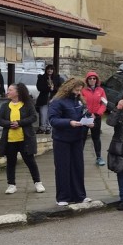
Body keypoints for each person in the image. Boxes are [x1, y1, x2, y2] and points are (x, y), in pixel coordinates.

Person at [48, 77, 90, 206]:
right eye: (76, 90)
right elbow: (53, 120)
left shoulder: (79, 101)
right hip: (62, 139)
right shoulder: (57, 101)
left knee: (78, 167)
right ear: (69, 88)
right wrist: (69, 122)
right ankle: (63, 197)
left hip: (77, 138)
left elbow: (84, 114)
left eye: (80, 90)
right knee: (63, 168)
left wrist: (88, 120)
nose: (78, 93)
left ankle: (79, 196)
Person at [0, 83, 44, 196]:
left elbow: (33, 117)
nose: (8, 92)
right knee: (11, 162)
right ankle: (11, 185)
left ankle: (38, 182)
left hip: (25, 139)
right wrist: (9, 124)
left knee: (30, 162)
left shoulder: (27, 104)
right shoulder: (5, 106)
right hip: (10, 139)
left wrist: (19, 123)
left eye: (10, 90)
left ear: (17, 92)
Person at [81, 71, 108, 166]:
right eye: (90, 78)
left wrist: (97, 114)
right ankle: (79, 157)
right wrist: (88, 113)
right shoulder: (83, 90)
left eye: (94, 78)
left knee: (96, 138)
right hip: (85, 117)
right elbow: (80, 103)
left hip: (96, 117)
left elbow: (104, 104)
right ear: (87, 80)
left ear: (97, 80)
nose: (92, 80)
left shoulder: (101, 90)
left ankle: (99, 157)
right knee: (82, 138)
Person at [36, 65, 63, 133]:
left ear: (53, 70)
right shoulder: (41, 77)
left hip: (53, 98)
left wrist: (54, 88)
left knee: (50, 113)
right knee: (43, 113)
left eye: (51, 69)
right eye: (48, 69)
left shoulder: (57, 78)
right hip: (44, 98)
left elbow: (60, 88)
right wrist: (48, 88)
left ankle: (49, 128)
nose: (49, 70)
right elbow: (39, 87)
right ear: (46, 70)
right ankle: (42, 127)